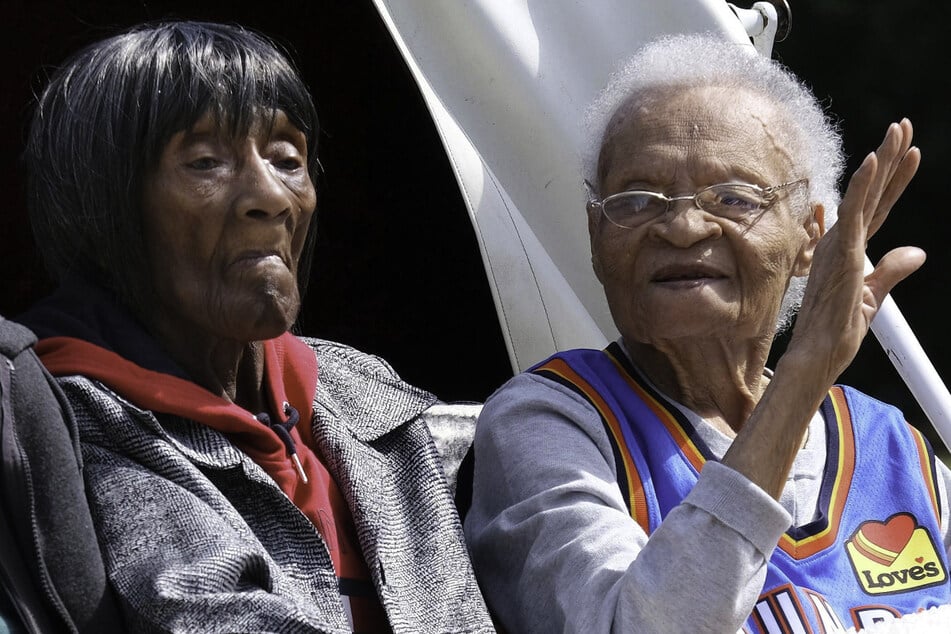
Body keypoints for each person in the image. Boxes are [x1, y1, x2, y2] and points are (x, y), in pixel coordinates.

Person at [462, 32, 951, 633]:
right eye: (639, 200)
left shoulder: (892, 447)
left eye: (733, 197)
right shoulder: (551, 421)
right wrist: (801, 378)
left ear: (809, 238)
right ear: (596, 235)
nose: (684, 227)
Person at [17, 20, 494, 633]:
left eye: (287, 159)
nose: (270, 196)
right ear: (107, 207)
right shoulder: (73, 421)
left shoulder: (353, 386)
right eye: (206, 161)